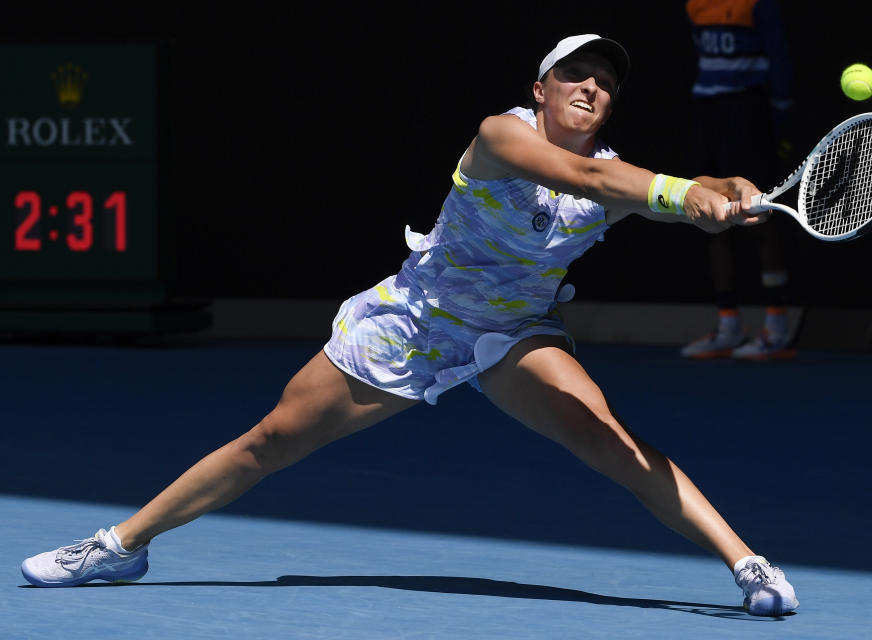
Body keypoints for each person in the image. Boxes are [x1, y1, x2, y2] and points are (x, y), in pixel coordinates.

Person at [20, 34, 798, 616]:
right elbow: (594, 177)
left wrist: (725, 192)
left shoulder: (622, 174)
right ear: (541, 86)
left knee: (610, 437)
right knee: (271, 440)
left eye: (605, 82)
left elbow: (652, 187)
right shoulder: (500, 134)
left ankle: (748, 565)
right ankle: (121, 547)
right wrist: (678, 192)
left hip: (515, 330)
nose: (592, 88)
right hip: (418, 316)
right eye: (576, 74)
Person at [680, 0, 797, 360]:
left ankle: (776, 328)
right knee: (707, 217)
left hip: (747, 112)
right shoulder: (694, 4)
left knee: (760, 219)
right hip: (706, 113)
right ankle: (728, 327)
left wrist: (779, 119)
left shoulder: (758, 4)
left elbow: (779, 58)